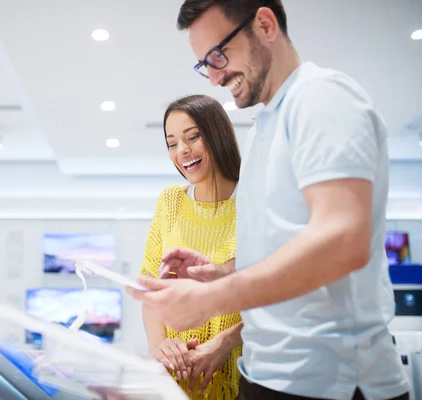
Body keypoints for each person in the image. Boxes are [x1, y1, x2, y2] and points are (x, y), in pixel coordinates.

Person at [128, 1, 411, 399]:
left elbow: (344, 241)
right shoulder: (265, 127)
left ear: (264, 25)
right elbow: (287, 248)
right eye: (204, 64)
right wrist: (222, 272)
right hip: (265, 375)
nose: (213, 76)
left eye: (218, 55)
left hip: (332, 383)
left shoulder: (321, 98)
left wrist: (211, 299)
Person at [140, 94, 243, 399]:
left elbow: (279, 295)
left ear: (218, 135)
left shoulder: (255, 202)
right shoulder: (170, 201)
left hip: (242, 379)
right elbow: (151, 290)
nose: (182, 150)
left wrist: (223, 343)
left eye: (193, 137)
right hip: (176, 383)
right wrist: (160, 345)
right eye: (172, 143)